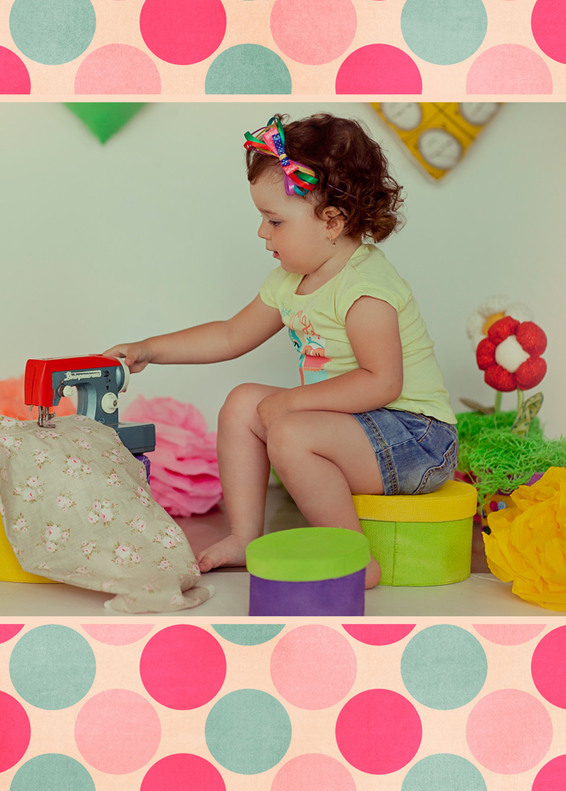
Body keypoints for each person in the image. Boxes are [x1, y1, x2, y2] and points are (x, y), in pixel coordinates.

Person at [104, 113, 457, 589]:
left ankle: (354, 558)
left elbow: (382, 382)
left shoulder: (365, 288)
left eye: (274, 221)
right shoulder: (290, 281)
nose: (262, 232)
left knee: (289, 432)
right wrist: (150, 349)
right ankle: (244, 536)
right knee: (242, 403)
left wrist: (292, 402)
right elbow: (230, 335)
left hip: (417, 436)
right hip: (359, 428)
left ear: (332, 221)